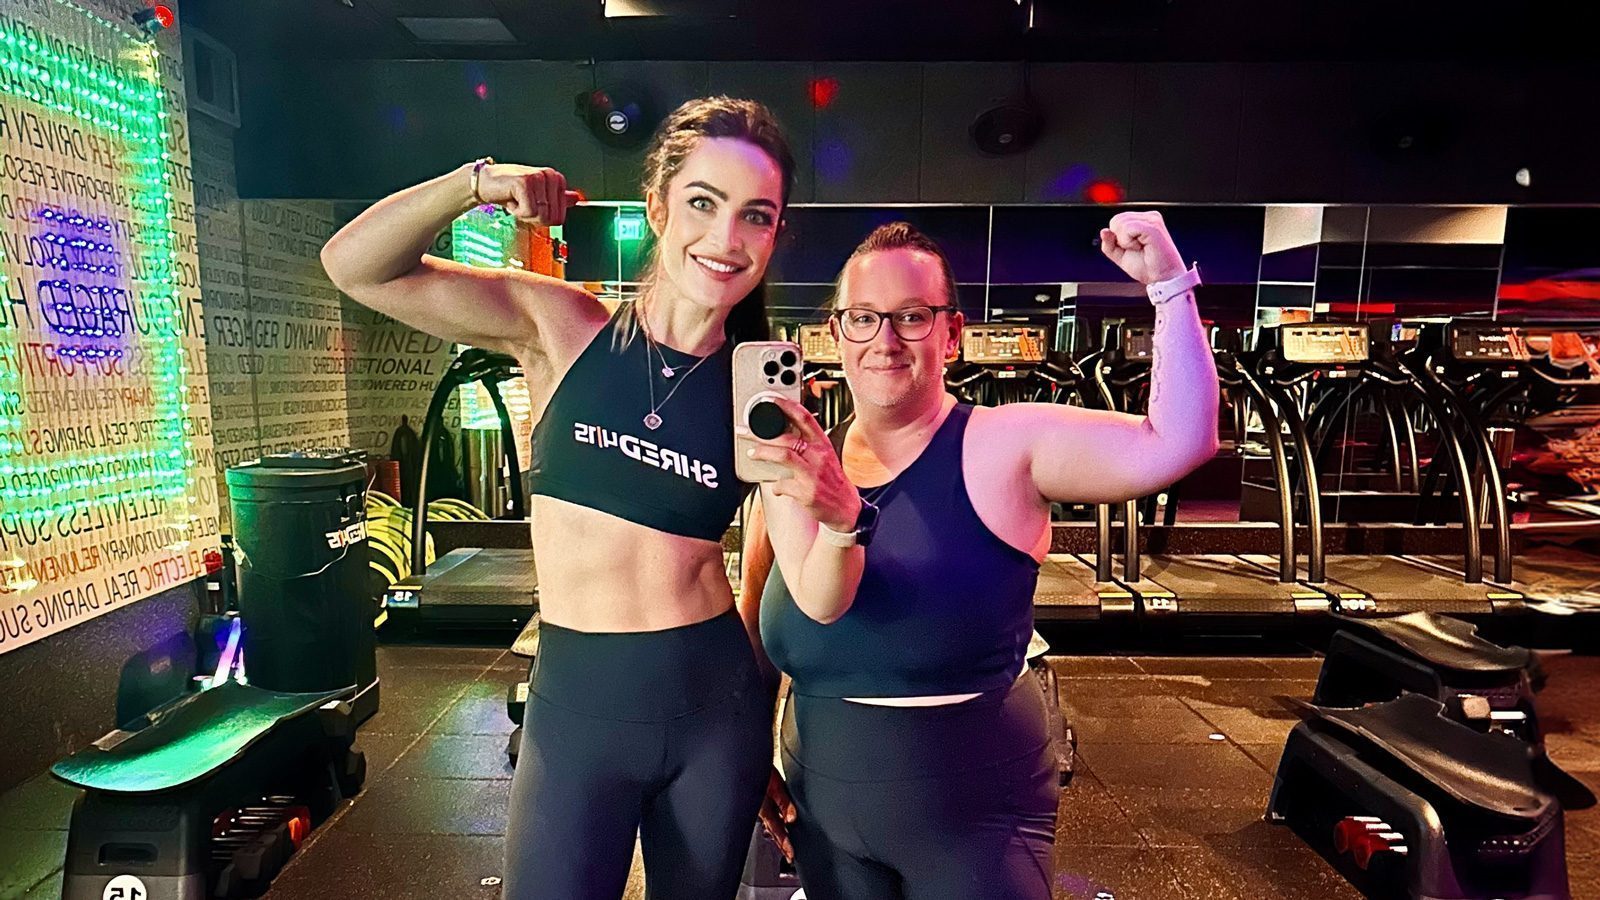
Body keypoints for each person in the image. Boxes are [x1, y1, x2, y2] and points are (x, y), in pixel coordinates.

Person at [322, 96, 860, 900]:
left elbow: (801, 589)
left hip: (716, 712)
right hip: (578, 706)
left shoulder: (757, 390)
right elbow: (354, 265)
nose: (725, 238)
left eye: (756, 216)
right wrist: (476, 184)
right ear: (657, 208)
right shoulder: (562, 327)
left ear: (775, 234)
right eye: (703, 204)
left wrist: (843, 516)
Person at [738, 217, 1219, 899]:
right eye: (863, 318)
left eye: (911, 317)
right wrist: (748, 752)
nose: (885, 341)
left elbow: (1179, 441)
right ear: (836, 333)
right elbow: (756, 632)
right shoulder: (794, 473)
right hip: (824, 814)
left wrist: (1170, 287)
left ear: (952, 334)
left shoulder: (1004, 444)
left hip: (975, 821)